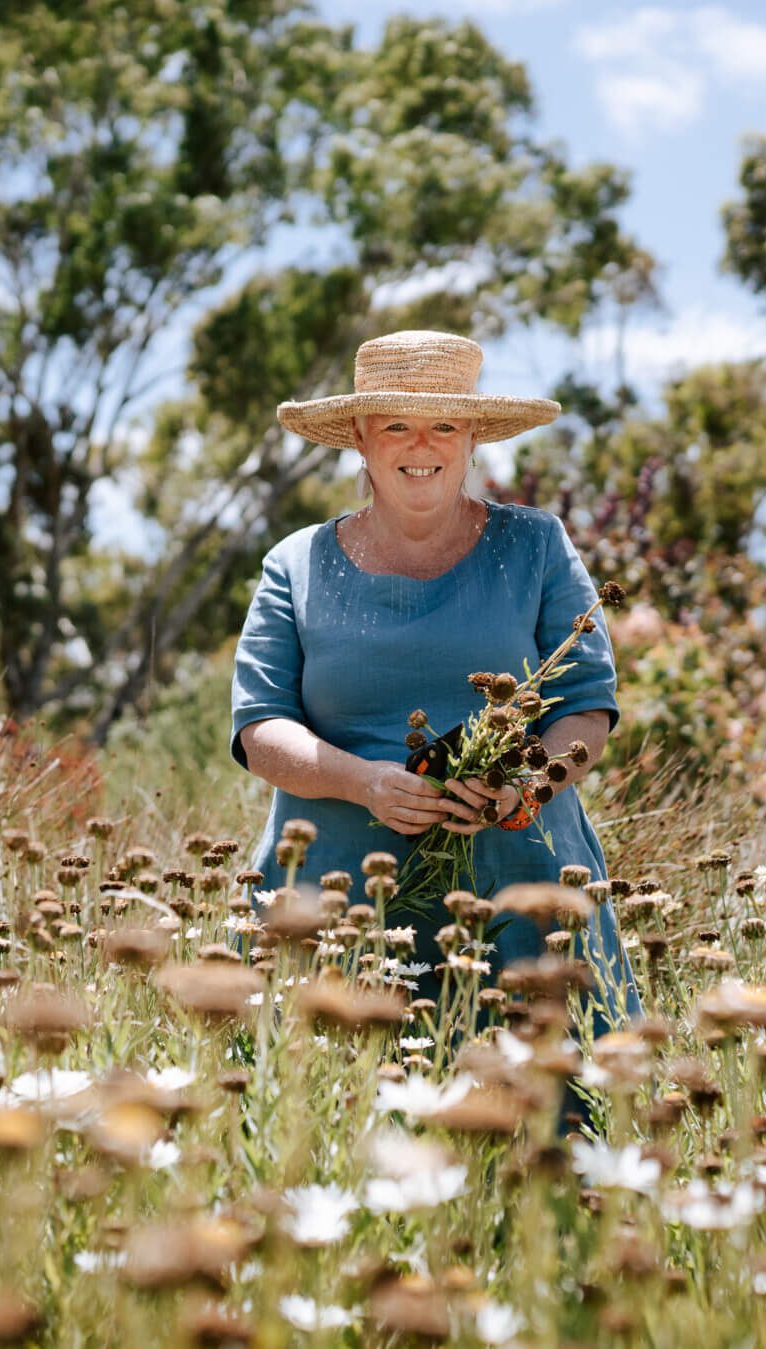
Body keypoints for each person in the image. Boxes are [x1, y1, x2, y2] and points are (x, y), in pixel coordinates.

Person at [229, 329, 642, 1039]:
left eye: (444, 424)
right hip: (335, 911)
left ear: (473, 434)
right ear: (360, 436)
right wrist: (366, 782)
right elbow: (261, 728)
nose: (421, 446)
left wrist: (525, 788)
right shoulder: (294, 564)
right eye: (397, 425)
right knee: (327, 1131)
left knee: (549, 1134)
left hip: (523, 907)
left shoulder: (537, 545)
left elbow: (586, 709)